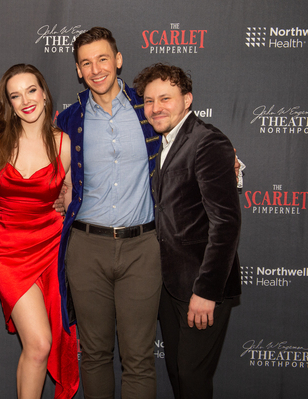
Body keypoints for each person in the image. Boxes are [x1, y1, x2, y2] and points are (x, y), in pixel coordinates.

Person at [56, 27, 161, 399]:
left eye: (103, 59)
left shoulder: (148, 109)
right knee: (96, 355)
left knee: (138, 358)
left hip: (142, 247)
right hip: (86, 248)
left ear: (118, 60)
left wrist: (224, 157)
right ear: (78, 71)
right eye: (86, 62)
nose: (96, 69)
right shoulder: (68, 120)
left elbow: (187, 137)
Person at [133, 63, 241, 399]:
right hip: (170, 285)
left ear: (187, 100)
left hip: (202, 287)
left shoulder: (207, 142)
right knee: (180, 376)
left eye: (165, 98)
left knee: (192, 382)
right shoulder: (163, 143)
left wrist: (207, 291)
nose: (156, 108)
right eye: (149, 101)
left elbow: (226, 223)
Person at [0, 64, 80, 399]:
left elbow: (71, 198)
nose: (25, 100)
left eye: (31, 90)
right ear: (8, 103)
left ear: (44, 93)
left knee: (44, 344)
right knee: (39, 343)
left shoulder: (65, 144)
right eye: (15, 95)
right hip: (8, 252)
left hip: (51, 249)